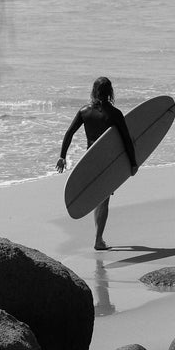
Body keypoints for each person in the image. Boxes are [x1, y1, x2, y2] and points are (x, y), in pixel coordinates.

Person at [56, 77, 138, 250]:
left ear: (94, 91)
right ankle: (98, 240)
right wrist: (133, 163)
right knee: (104, 201)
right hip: (107, 162)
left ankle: (98, 239)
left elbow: (69, 133)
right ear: (110, 92)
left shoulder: (84, 111)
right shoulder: (115, 114)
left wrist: (62, 156)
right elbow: (126, 140)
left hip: (90, 160)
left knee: (98, 198)